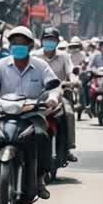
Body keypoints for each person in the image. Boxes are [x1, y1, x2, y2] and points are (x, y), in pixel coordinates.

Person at [0, 26, 62, 199]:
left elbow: (54, 85)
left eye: (22, 44)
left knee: (42, 136)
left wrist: (52, 98)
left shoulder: (40, 66)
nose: (18, 47)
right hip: (3, 114)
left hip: (31, 114)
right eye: (14, 43)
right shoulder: (1, 65)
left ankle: (39, 178)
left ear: (30, 46)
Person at [36, 27, 79, 162]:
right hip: (37, 96)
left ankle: (67, 148)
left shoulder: (64, 56)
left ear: (57, 42)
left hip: (59, 95)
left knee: (69, 113)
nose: (49, 42)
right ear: (42, 41)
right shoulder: (34, 56)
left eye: (52, 40)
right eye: (47, 39)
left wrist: (73, 81)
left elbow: (71, 72)